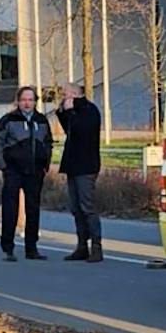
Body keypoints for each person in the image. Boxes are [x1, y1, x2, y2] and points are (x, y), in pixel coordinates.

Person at [0, 86, 54, 262]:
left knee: (33, 210)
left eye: (31, 100)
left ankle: (32, 248)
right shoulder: (8, 120)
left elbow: (48, 143)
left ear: (35, 102)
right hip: (13, 170)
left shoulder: (42, 121)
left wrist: (45, 163)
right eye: (24, 99)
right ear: (18, 101)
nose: (27, 103)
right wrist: (3, 165)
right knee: (10, 209)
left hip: (35, 171)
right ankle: (8, 248)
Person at [57, 81, 104, 263]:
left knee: (87, 207)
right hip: (73, 165)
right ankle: (82, 245)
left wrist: (70, 111)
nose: (64, 97)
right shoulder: (73, 111)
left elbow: (81, 131)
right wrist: (63, 113)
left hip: (86, 166)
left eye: (66, 94)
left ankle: (97, 246)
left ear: (75, 94)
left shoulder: (89, 111)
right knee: (76, 208)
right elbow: (69, 130)